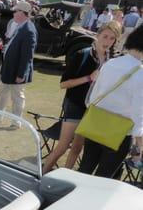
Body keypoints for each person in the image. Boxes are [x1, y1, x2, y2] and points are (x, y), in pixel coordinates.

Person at [42, 21, 121, 174]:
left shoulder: (113, 61)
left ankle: (65, 179)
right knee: (63, 146)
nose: (108, 42)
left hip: (94, 110)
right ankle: (42, 174)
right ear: (97, 35)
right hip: (75, 105)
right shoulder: (82, 55)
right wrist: (89, 78)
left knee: (77, 148)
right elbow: (63, 84)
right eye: (105, 36)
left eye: (112, 39)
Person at [78, 25, 143, 178]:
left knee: (84, 170)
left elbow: (92, 99)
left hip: (96, 124)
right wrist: (140, 145)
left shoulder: (111, 63)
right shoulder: (140, 73)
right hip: (119, 132)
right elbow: (138, 115)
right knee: (103, 178)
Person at [0, 1, 37, 121]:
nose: (14, 14)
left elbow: (27, 56)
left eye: (16, 11)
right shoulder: (20, 26)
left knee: (17, 96)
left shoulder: (29, 30)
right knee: (3, 92)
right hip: (9, 67)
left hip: (17, 71)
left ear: (23, 13)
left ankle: (17, 121)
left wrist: (21, 74)